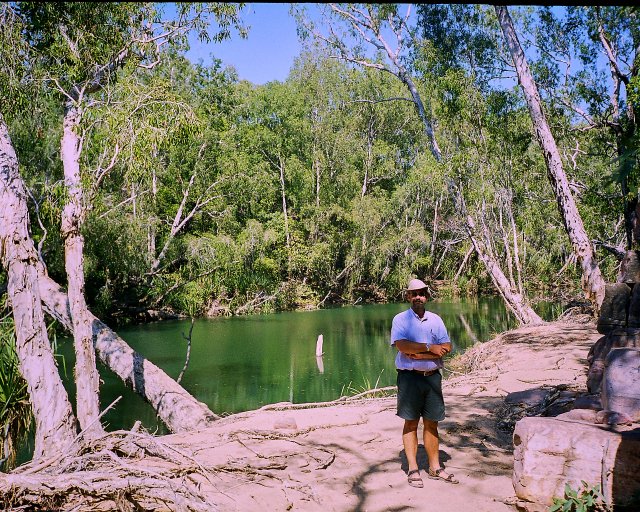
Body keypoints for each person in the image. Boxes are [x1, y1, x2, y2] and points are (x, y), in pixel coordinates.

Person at [390, 278, 459, 488]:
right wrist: (430, 348)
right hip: (409, 379)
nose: (418, 297)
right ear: (408, 297)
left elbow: (446, 346)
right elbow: (402, 346)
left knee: (432, 422)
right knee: (410, 422)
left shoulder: (436, 320)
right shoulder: (400, 320)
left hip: (432, 379)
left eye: (422, 293)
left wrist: (418, 354)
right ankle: (413, 469)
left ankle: (435, 467)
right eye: (414, 293)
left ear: (426, 296)